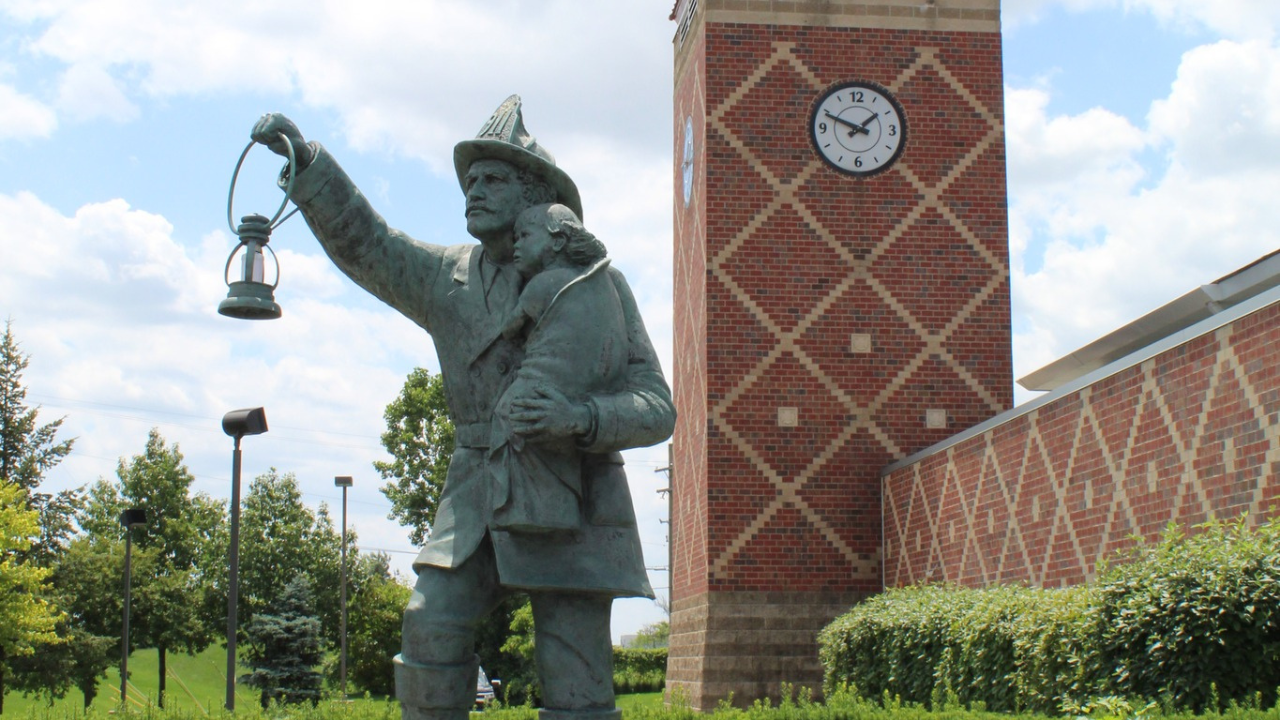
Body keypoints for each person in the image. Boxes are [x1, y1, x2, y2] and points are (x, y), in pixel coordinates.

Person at [250, 96, 674, 720]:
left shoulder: (595, 283)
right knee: (430, 622)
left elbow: (657, 407)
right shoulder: (444, 274)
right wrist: (308, 162)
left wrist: (579, 419)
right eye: (468, 180)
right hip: (476, 486)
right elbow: (368, 244)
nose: (473, 190)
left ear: (534, 197)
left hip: (576, 494)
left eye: (492, 179)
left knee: (576, 679)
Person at [489, 203, 623, 535]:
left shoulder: (540, 286)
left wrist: (511, 287)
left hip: (538, 389)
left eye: (524, 235)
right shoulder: (595, 285)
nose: (515, 244)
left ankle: (523, 509)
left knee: (510, 415)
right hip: (575, 389)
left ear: (558, 241)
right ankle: (553, 507)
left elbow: (509, 328)